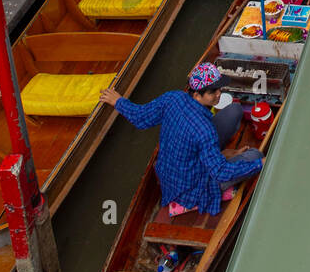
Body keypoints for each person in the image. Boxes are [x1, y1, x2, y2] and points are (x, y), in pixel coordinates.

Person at [99, 63, 262, 218]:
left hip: (173, 169)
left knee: (234, 110)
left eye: (219, 89)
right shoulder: (204, 130)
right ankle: (223, 162)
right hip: (191, 186)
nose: (219, 94)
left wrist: (118, 101)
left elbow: (141, 117)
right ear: (197, 95)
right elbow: (220, 172)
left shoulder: (173, 97)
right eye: (213, 92)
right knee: (255, 155)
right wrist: (261, 164)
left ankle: (218, 156)